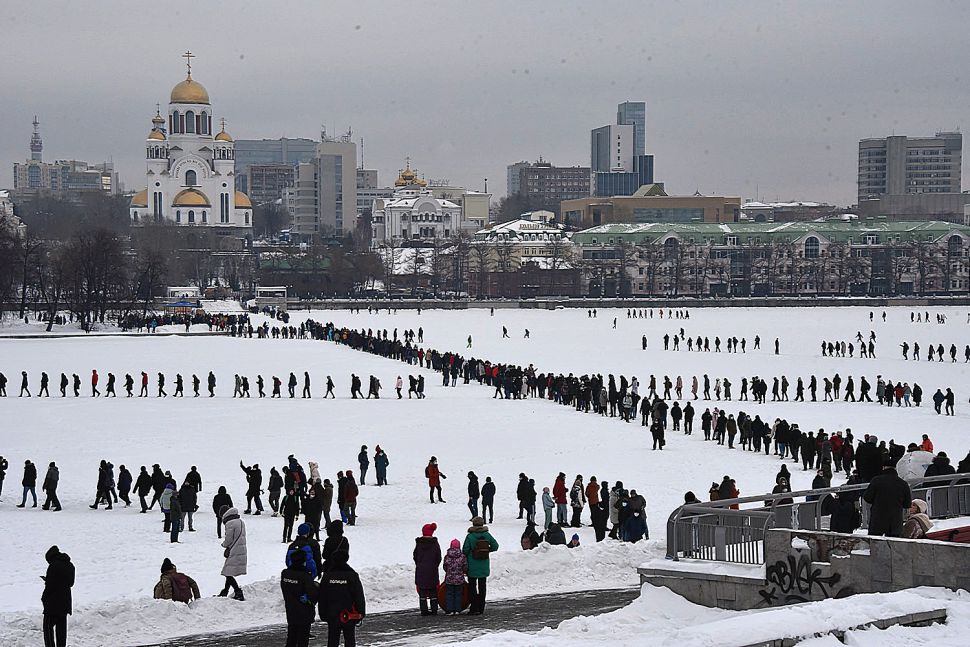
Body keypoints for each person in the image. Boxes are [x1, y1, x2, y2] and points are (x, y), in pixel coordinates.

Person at [318, 548, 365, 647]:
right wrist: (361, 612)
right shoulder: (352, 575)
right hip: (349, 614)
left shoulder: (327, 576)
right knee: (350, 639)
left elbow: (322, 596)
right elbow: (359, 596)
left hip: (332, 613)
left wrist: (322, 613)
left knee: (332, 639)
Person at [280, 549, 319, 647]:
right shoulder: (305, 576)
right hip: (304, 612)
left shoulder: (285, 573)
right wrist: (316, 588)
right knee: (302, 639)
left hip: (291, 609)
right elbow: (312, 594)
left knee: (291, 636)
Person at [863, 462, 912, 537]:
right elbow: (907, 504)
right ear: (895, 469)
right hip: (895, 521)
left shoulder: (876, 480)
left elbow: (867, 497)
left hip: (877, 519)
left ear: (883, 468)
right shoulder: (903, 483)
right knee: (893, 543)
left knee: (875, 542)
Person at [462, 516, 499, 615]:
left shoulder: (470, 536)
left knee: (472, 587)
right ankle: (481, 607)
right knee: (482, 587)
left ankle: (474, 608)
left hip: (472, 566)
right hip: (484, 565)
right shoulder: (487, 535)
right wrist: (486, 550)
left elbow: (465, 550)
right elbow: (495, 546)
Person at [41, 545, 74, 647]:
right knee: (61, 631)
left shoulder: (53, 566)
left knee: (47, 628)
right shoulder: (70, 565)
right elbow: (69, 583)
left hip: (52, 604)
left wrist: (44, 598)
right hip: (65, 603)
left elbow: (50, 586)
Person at [219, 506, 247, 600]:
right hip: (241, 549)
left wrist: (224, 545)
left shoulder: (230, 523)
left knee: (227, 572)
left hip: (234, 550)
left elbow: (229, 539)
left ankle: (238, 592)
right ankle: (225, 591)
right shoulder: (240, 521)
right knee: (228, 571)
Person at [413, 522, 442, 615]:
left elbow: (415, 556)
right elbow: (438, 557)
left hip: (421, 570)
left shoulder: (419, 544)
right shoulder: (435, 543)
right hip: (432, 570)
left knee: (422, 591)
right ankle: (434, 609)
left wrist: (420, 564)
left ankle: (424, 610)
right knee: (433, 590)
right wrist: (434, 565)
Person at [442, 538, 468, 614]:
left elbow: (445, 567)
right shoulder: (462, 556)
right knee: (458, 594)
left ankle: (449, 610)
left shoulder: (447, 556)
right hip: (459, 580)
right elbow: (465, 567)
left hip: (449, 579)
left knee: (449, 594)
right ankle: (457, 609)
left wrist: (449, 572)